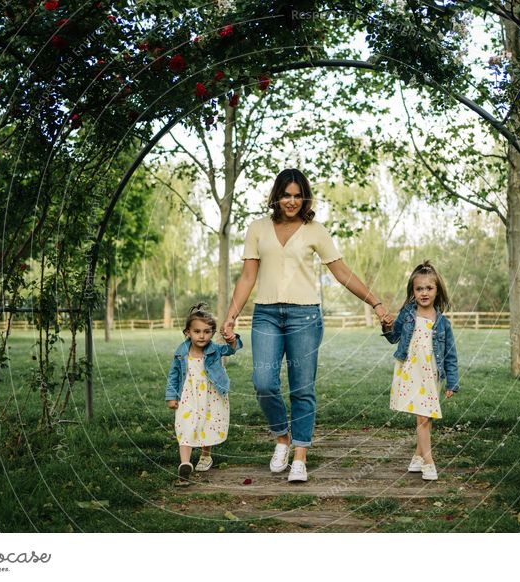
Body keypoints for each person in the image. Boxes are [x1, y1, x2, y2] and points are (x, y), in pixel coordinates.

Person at [221, 168, 393, 483]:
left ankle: (300, 454)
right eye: (286, 194)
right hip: (266, 314)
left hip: (305, 317)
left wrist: (376, 303)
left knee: (302, 388)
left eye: (298, 195)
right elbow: (248, 277)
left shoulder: (315, 230)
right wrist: (232, 314)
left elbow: (342, 273)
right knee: (263, 382)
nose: (292, 201)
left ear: (305, 197)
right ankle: (282, 438)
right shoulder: (258, 228)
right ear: (276, 196)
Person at [382, 260, 459, 481]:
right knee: (423, 418)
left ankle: (417, 457)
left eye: (429, 288)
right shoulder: (407, 314)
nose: (424, 293)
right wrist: (387, 326)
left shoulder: (443, 323)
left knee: (426, 418)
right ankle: (428, 462)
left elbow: (451, 355)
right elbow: (394, 337)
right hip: (410, 371)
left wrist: (452, 381)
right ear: (413, 291)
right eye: (419, 288)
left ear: (437, 291)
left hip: (431, 374)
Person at [166, 303, 242, 481]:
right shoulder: (181, 352)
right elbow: (173, 374)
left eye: (207, 332)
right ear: (187, 332)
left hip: (211, 395)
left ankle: (205, 455)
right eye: (197, 331)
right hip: (188, 396)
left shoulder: (214, 349)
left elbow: (231, 349)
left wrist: (232, 339)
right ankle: (185, 463)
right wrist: (171, 396)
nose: (202, 336)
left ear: (213, 333)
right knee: (185, 425)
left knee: (206, 424)